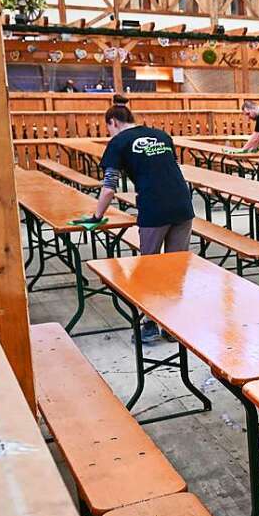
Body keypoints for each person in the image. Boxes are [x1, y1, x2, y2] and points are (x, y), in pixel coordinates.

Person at [80, 95, 195, 344]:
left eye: (107, 128)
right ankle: (172, 326)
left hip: (154, 208)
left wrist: (96, 216)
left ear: (112, 122)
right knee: (176, 266)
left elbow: (109, 187)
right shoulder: (161, 135)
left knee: (149, 268)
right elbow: (171, 168)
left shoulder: (118, 142)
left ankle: (150, 323)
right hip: (183, 204)